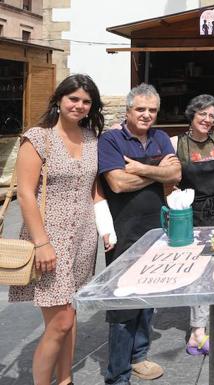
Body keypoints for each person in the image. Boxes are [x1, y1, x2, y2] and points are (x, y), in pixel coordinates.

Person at [9, 74, 114, 385]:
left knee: (70, 317)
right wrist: (41, 243)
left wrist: (106, 227)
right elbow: (25, 193)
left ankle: (66, 380)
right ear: (58, 99)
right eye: (74, 99)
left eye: (86, 101)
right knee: (61, 320)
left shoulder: (92, 138)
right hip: (48, 238)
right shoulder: (37, 137)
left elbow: (95, 190)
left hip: (83, 238)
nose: (79, 106)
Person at [98, 84, 181, 384]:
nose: (147, 115)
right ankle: (117, 375)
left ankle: (139, 357)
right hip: (125, 233)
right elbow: (117, 183)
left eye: (152, 110)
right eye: (140, 109)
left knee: (148, 298)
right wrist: (156, 171)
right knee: (122, 305)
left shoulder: (159, 137)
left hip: (157, 231)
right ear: (128, 110)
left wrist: (140, 169)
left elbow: (175, 175)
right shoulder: (110, 140)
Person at [169, 94, 214, 355]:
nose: (207, 119)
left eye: (212, 115)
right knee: (199, 272)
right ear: (191, 115)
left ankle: (206, 322)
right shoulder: (176, 143)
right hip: (194, 215)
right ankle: (197, 332)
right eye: (202, 113)